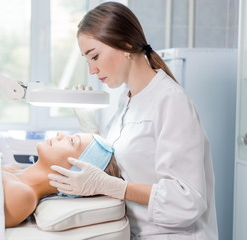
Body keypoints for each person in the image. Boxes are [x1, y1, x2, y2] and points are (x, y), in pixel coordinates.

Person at [48, 2, 218, 239]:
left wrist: (114, 187)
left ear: (126, 44)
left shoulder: (170, 101)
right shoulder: (127, 100)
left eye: (95, 56)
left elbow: (186, 199)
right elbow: (122, 162)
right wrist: (88, 125)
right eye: (87, 60)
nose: (92, 70)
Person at [2, 131, 120, 227]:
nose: (60, 134)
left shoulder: (22, 196)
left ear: (74, 173)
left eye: (72, 141)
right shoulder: (13, 169)